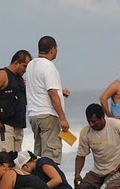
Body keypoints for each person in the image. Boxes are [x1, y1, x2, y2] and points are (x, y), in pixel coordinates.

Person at [74, 103, 120, 189]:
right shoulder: (85, 132)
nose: (91, 124)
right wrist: (77, 173)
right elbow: (81, 155)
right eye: (89, 121)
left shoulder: (116, 125)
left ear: (102, 117)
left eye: (94, 121)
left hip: (115, 169)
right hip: (97, 172)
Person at [25, 35, 70, 164]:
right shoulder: (48, 66)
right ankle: (51, 183)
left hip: (34, 115)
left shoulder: (31, 65)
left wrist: (61, 92)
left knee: (38, 157)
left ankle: (40, 183)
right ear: (52, 49)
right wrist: (62, 118)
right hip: (48, 115)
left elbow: (39, 88)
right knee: (50, 157)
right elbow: (51, 93)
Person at [0, 50, 32, 152]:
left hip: (19, 124)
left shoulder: (20, 78)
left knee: (17, 158)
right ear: (17, 62)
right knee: (6, 157)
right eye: (24, 66)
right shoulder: (3, 74)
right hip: (5, 124)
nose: (25, 70)